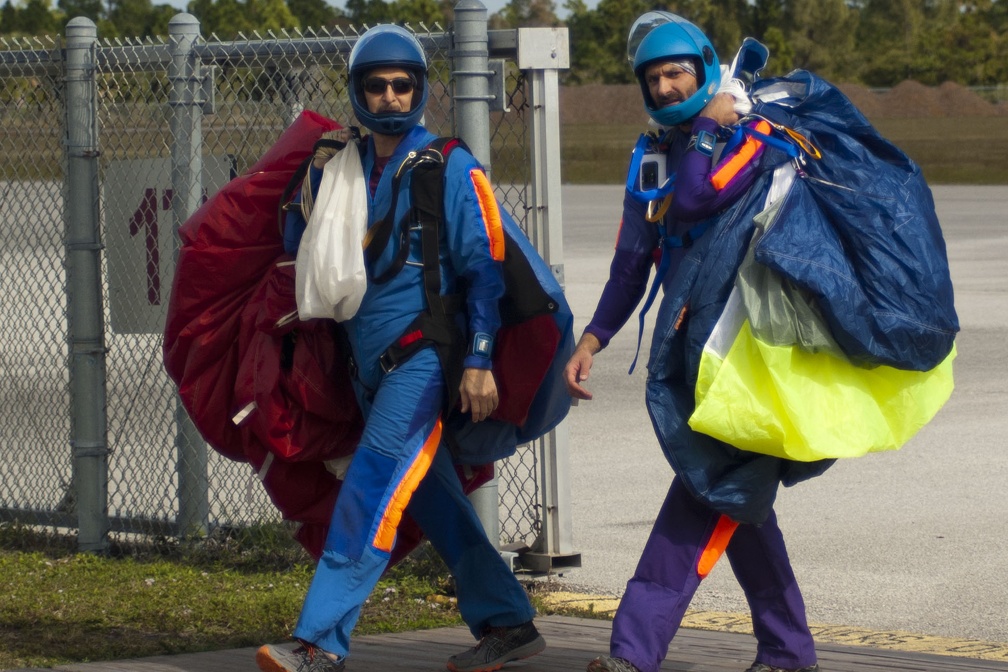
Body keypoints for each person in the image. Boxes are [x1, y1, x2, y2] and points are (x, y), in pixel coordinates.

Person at [256, 24, 546, 672]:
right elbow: (295, 241)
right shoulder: (338, 164)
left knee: (371, 487)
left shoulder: (449, 164)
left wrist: (476, 359)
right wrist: (313, 177)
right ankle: (508, 620)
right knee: (433, 497)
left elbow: (483, 271)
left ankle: (318, 642)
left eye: (402, 85)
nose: (390, 96)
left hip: (422, 361)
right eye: (377, 85)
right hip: (365, 367)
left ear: (417, 89)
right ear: (359, 90)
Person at [563, 13, 824, 672]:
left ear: (706, 68)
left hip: (749, 356)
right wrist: (594, 336)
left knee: (708, 493)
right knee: (736, 502)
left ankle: (633, 651)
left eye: (676, 71)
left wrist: (712, 124)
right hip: (689, 354)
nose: (664, 85)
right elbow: (633, 259)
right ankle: (790, 653)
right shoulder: (651, 154)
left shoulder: (755, 140)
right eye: (652, 78)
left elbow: (701, 194)